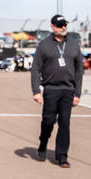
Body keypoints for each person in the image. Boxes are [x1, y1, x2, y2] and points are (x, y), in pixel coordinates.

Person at [31, 15, 84, 167]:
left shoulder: (73, 44)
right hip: (50, 89)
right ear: (52, 26)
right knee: (48, 121)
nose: (63, 28)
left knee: (65, 123)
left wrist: (77, 94)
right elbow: (35, 69)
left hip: (68, 90)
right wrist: (36, 91)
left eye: (64, 25)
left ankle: (62, 156)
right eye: (60, 25)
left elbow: (80, 71)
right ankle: (43, 144)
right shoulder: (44, 45)